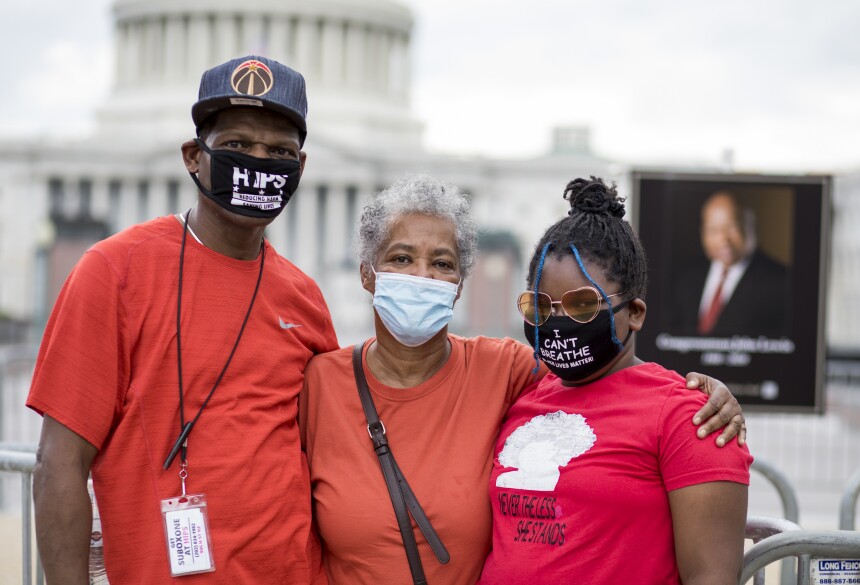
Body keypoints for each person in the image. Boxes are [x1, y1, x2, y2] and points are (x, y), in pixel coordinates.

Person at [299, 175, 748, 585]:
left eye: (441, 263)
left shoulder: (507, 371)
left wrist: (708, 393)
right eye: (540, 308)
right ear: (366, 273)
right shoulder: (319, 383)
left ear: (459, 284)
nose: (421, 276)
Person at [27, 56, 338, 584]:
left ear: (300, 169)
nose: (258, 163)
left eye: (279, 152)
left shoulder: (304, 297)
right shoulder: (114, 272)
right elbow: (59, 464)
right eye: (238, 146)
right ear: (195, 156)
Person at [479, 177, 751, 584]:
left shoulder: (691, 415)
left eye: (583, 305)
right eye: (540, 306)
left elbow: (710, 577)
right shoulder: (523, 397)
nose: (557, 321)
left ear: (635, 312)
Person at [672, 190, 789, 336]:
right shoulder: (686, 278)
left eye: (732, 227)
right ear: (702, 232)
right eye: (713, 230)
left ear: (751, 226)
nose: (723, 239)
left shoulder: (781, 282)